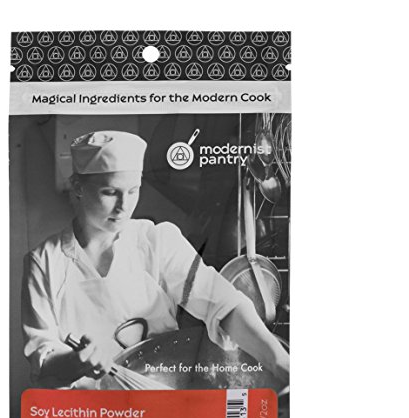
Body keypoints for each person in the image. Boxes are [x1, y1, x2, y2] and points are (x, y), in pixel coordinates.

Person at [22, 130, 289, 389]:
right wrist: (76, 362)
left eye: (133, 191)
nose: (124, 206)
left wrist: (279, 362)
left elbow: (224, 305)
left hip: (163, 394)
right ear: (78, 187)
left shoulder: (156, 241)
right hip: (90, 410)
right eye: (110, 192)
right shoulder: (45, 263)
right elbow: (43, 362)